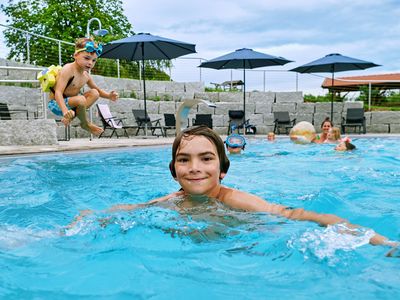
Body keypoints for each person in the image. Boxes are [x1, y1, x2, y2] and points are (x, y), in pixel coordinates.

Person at [70, 125, 397, 251]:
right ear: (174, 172)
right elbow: (131, 211)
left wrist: (375, 238)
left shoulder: (237, 201)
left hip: (247, 241)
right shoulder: (171, 200)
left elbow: (295, 214)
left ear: (222, 170)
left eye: (206, 159)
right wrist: (90, 216)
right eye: (184, 160)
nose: (195, 167)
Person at [48, 37, 119, 136]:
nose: (90, 63)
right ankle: (85, 124)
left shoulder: (86, 75)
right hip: (56, 104)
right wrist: (65, 111)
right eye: (86, 58)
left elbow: (97, 90)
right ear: (76, 55)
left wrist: (108, 96)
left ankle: (71, 116)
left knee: (95, 93)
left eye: (94, 60)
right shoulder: (68, 69)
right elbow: (58, 92)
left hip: (72, 105)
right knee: (81, 99)